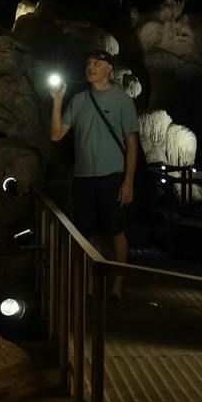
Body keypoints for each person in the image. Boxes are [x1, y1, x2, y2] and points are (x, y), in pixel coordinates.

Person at [50, 51, 138, 270]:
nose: (91, 67)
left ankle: (117, 283)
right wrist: (57, 101)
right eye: (89, 63)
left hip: (112, 177)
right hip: (82, 178)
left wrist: (128, 181)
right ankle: (89, 283)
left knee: (116, 232)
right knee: (86, 233)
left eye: (97, 63)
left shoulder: (122, 99)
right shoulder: (78, 99)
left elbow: (132, 143)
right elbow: (57, 134)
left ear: (109, 69)